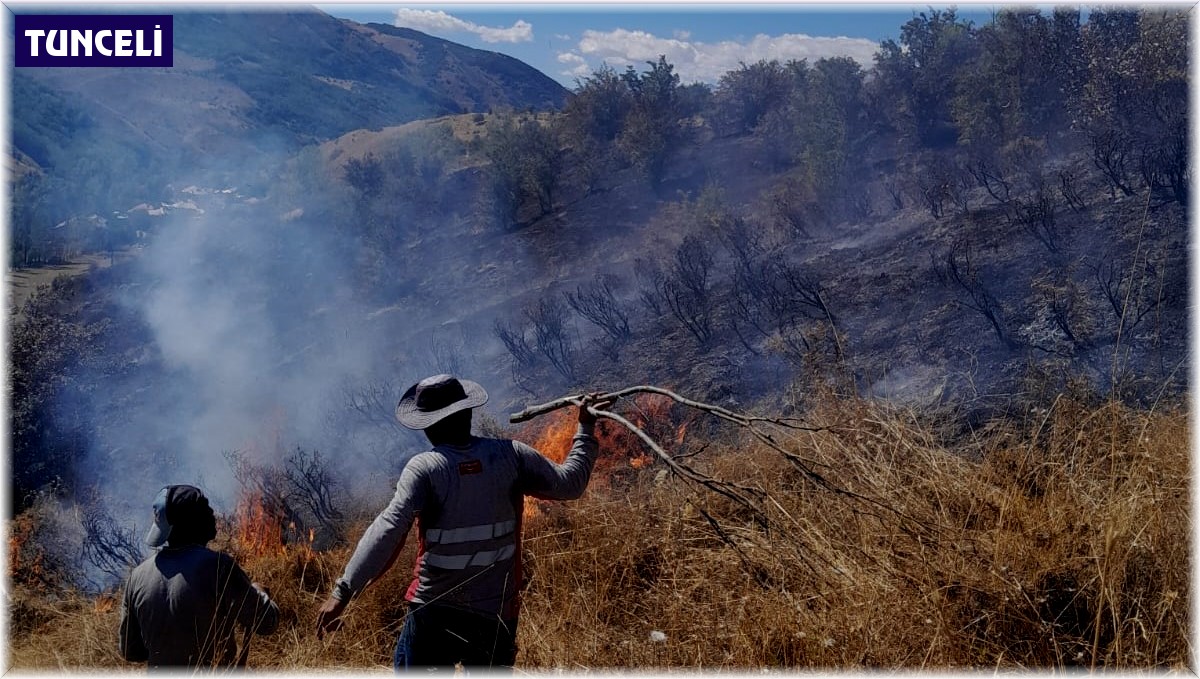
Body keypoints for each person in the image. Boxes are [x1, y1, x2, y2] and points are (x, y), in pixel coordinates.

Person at [315, 374, 612, 671]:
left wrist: (343, 592)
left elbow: (388, 529)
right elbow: (570, 484)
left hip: (433, 613)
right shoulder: (512, 456)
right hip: (495, 614)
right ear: (468, 413)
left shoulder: (425, 468)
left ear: (428, 426)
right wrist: (585, 428)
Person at [119, 484, 280, 669]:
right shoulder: (219, 567)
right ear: (191, 521)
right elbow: (267, 623)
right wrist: (259, 594)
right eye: (204, 509)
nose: (212, 513)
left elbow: (130, 651)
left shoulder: (137, 576)